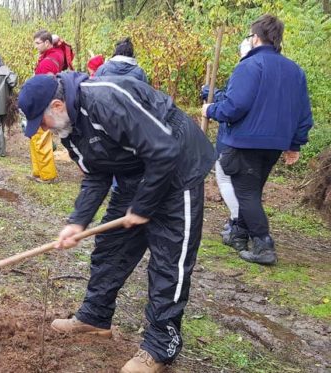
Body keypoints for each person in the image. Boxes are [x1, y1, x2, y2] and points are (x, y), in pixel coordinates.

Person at [18, 72, 215, 372]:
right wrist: (78, 222)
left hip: (178, 169)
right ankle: (95, 316)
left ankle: (160, 346)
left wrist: (144, 205)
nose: (43, 130)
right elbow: (96, 173)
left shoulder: (106, 98)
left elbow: (164, 150)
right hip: (136, 173)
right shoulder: (70, 129)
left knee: (169, 262)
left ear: (57, 105)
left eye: (41, 122)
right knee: (111, 247)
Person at [202, 14, 313, 265]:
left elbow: (234, 106)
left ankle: (263, 245)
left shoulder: (249, 67)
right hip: (274, 145)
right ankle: (238, 234)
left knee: (247, 195)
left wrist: (209, 110)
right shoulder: (295, 71)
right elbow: (303, 113)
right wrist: (295, 144)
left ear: (255, 38)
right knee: (251, 191)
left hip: (245, 143)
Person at [200, 37, 252, 247]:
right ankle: (237, 221)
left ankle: (238, 221)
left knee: (224, 176)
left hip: (235, 137)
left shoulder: (247, 70)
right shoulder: (264, 70)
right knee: (244, 185)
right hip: (251, 139)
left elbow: (234, 106)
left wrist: (212, 103)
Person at [30, 29, 61, 183]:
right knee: (34, 137)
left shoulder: (47, 63)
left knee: (41, 138)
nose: (35, 46)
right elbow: (61, 43)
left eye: (38, 43)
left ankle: (48, 175)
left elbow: (42, 89)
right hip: (44, 105)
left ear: (47, 43)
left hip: (43, 106)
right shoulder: (56, 54)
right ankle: (38, 171)